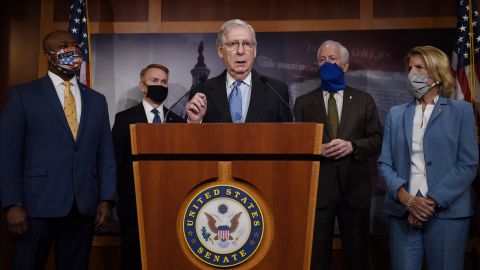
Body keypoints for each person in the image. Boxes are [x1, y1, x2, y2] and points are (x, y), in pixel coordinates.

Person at [0, 30, 116, 270]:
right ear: (48, 55)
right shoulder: (23, 94)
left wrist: (106, 199)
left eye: (75, 45)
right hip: (35, 206)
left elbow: (105, 153)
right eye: (64, 46)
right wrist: (13, 203)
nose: (72, 50)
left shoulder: (97, 100)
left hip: (83, 207)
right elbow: (8, 153)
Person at [378, 46, 478, 270]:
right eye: (409, 67)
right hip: (402, 211)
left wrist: (427, 204)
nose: (412, 72)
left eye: (419, 67)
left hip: (447, 213)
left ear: (436, 73)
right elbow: (385, 163)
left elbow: (468, 165)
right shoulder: (396, 113)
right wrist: (408, 200)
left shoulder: (461, 111)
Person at [294, 40, 383, 270]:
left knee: (357, 259)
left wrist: (352, 146)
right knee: (316, 260)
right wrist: (316, 148)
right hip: (318, 195)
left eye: (332, 59)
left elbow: (377, 140)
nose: (327, 64)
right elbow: (296, 145)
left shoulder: (364, 100)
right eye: (322, 60)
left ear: (345, 66)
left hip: (354, 193)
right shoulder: (304, 103)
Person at [112, 63, 184, 270]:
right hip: (132, 204)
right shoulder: (124, 119)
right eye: (154, 81)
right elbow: (115, 162)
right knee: (133, 257)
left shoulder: (177, 122)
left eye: (164, 82)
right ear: (142, 86)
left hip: (170, 206)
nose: (160, 86)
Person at [185, 19, 292, 123]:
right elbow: (188, 139)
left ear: (254, 50)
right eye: (233, 44)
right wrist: (195, 122)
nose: (240, 51)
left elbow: (288, 137)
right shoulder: (201, 91)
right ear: (220, 51)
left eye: (247, 44)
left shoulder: (277, 91)